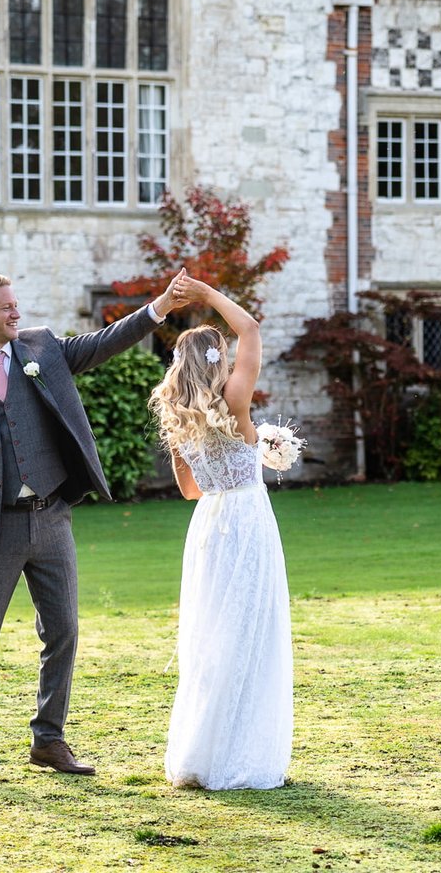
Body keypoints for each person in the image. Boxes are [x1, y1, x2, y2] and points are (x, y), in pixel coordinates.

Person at [0, 269, 197, 785]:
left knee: (64, 632)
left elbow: (103, 342)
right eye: (6, 307)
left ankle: (48, 740)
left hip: (51, 518)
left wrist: (158, 307)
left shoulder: (42, 350)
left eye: (16, 304)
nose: (17, 313)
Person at [151, 279, 292, 789]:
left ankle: (200, 754)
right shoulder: (235, 400)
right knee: (249, 634)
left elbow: (190, 491)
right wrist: (208, 295)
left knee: (211, 637)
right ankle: (239, 754)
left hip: (209, 526)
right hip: (248, 522)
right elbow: (250, 327)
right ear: (217, 361)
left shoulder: (177, 421)